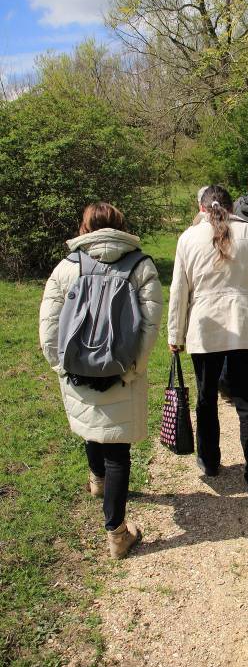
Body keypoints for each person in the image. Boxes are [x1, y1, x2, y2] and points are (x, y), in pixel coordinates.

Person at [39, 202, 163, 558]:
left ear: (85, 227)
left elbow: (49, 325)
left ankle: (97, 481)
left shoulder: (68, 266)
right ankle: (117, 534)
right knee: (118, 451)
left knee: (92, 425)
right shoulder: (141, 266)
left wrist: (60, 365)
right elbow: (149, 327)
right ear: (121, 225)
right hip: (122, 370)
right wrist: (133, 369)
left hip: (77, 369)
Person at [167, 185, 248, 495]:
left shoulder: (188, 238)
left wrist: (175, 334)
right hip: (245, 327)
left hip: (204, 329)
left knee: (206, 399)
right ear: (232, 207)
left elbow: (179, 291)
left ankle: (210, 461)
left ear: (201, 207)